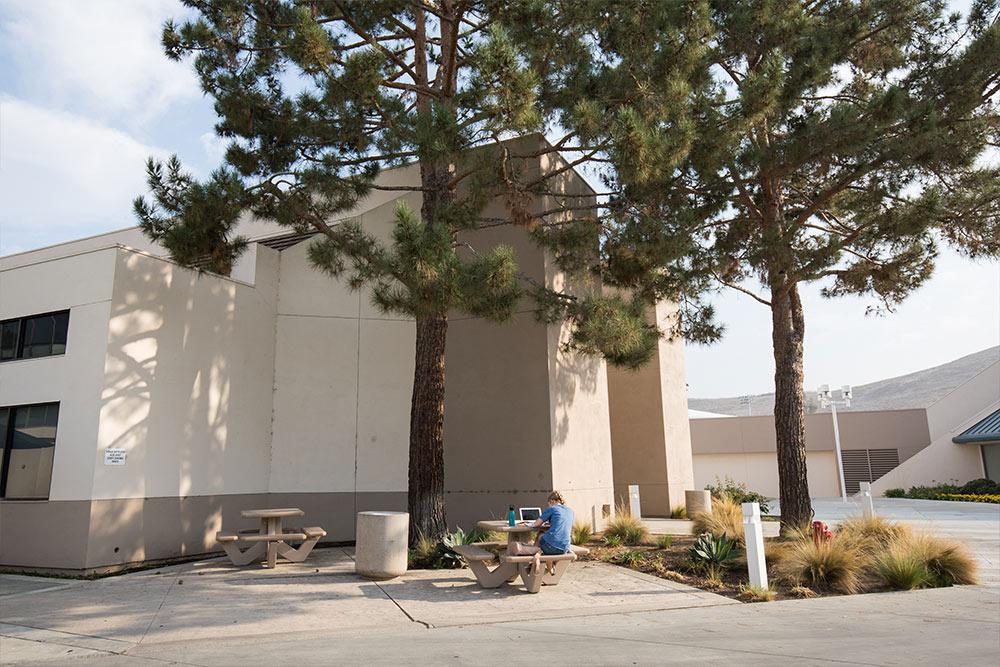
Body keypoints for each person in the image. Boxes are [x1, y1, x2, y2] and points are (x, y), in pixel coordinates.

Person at [512, 491, 573, 558]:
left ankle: (531, 551)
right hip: (565, 548)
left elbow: (536, 524)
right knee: (545, 536)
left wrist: (527, 524)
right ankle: (547, 565)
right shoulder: (570, 510)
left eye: (548, 504)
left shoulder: (552, 508)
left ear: (551, 501)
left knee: (541, 534)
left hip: (551, 547)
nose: (549, 506)